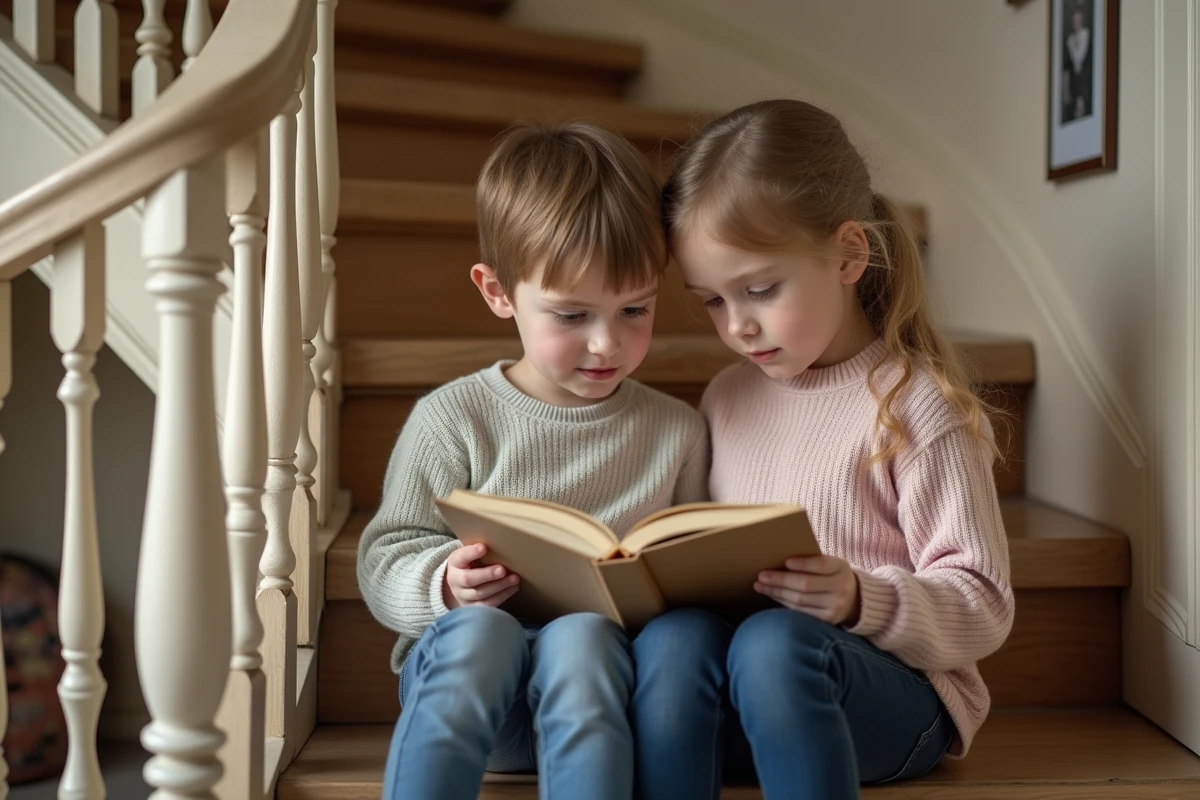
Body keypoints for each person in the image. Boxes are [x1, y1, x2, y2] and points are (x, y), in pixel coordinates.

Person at [631, 99, 1015, 799]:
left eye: (759, 289)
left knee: (775, 644)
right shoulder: (726, 397)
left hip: (894, 696)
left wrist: (861, 597)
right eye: (712, 301)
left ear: (848, 254)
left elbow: (983, 605)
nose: (737, 326)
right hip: (756, 694)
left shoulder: (916, 408)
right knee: (673, 640)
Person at [357, 121, 708, 800]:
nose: (607, 343)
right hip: (475, 698)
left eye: (635, 309)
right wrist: (446, 584)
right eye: (571, 316)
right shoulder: (453, 418)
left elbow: (688, 572)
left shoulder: (677, 431)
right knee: (482, 634)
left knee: (581, 638)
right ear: (497, 292)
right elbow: (383, 556)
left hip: (602, 699)